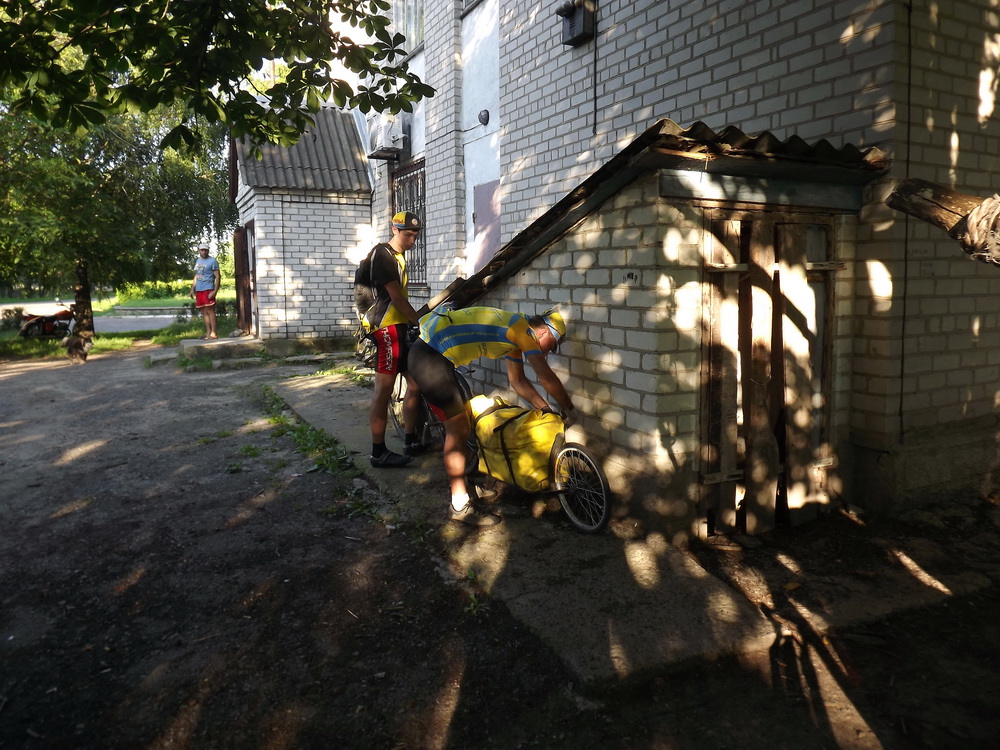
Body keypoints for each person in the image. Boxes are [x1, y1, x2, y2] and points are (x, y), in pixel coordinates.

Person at [408, 306, 575, 527]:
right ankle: (460, 506)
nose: (547, 352)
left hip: (431, 356)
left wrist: (545, 409)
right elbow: (545, 376)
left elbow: (518, 381)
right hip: (429, 358)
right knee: (457, 430)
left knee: (464, 424)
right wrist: (568, 408)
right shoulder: (523, 331)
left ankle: (465, 487)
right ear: (543, 331)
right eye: (551, 345)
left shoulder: (514, 337)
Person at [366, 211, 427, 468]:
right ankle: (378, 452)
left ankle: (410, 439)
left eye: (415, 236)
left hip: (399, 327)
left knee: (415, 383)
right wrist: (420, 322)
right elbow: (397, 298)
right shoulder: (383, 255)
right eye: (407, 235)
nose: (411, 240)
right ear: (394, 230)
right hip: (386, 329)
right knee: (383, 391)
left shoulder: (399, 257)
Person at [188, 246, 220, 340]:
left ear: (208, 251)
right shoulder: (198, 261)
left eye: (205, 250)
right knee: (204, 311)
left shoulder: (212, 261)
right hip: (199, 289)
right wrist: (192, 289)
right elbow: (197, 275)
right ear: (199, 251)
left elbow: (218, 277)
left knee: (210, 310)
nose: (204, 252)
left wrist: (215, 291)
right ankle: (208, 333)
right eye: (202, 250)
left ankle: (214, 333)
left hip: (208, 288)